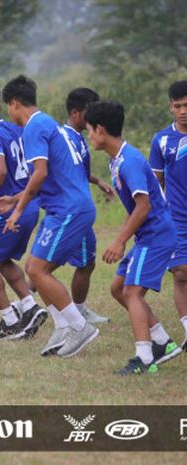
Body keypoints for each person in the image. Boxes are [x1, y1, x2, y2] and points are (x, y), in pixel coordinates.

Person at [0, 75, 99, 358]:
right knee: (36, 268)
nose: (10, 114)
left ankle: (78, 326)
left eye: (9, 108)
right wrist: (15, 198)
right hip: (68, 207)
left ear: (15, 104)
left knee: (37, 271)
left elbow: (39, 174)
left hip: (68, 210)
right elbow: (52, 174)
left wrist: (17, 211)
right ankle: (62, 326)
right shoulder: (48, 123)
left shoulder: (32, 128)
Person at [85, 101, 181, 374]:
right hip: (147, 236)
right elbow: (137, 208)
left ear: (101, 130)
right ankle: (162, 341)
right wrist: (124, 236)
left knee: (132, 292)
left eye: (90, 130)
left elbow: (144, 205)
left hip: (156, 237)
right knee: (118, 289)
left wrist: (119, 241)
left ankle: (145, 359)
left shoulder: (130, 162)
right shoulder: (117, 159)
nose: (89, 136)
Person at [0, 84, 46, 341]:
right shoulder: (16, 128)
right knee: (1, 261)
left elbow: (0, 170)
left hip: (11, 207)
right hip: (30, 204)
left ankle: (10, 320)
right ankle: (30, 306)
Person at [62, 88, 113, 325]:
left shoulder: (79, 139)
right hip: (71, 210)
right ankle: (27, 304)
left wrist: (97, 181)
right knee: (53, 262)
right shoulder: (62, 137)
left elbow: (78, 171)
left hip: (79, 210)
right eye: (89, 112)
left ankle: (26, 303)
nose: (94, 118)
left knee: (53, 261)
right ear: (75, 113)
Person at [149, 80, 187, 352]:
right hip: (177, 220)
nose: (184, 111)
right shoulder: (161, 140)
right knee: (181, 274)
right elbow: (156, 183)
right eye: (178, 106)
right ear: (170, 108)